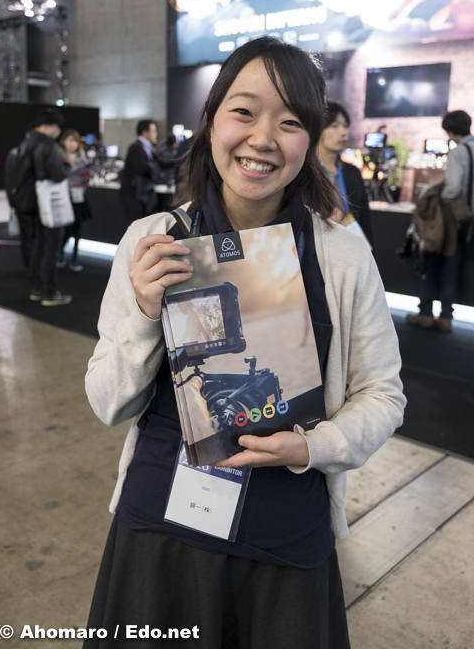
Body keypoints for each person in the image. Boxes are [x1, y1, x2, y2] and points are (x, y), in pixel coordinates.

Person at [84, 37, 405, 649]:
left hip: (283, 542)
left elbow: (383, 395)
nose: (263, 138)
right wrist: (146, 312)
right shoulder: (152, 240)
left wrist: (312, 446)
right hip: (160, 534)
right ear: (211, 120)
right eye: (244, 111)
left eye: (289, 122)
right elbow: (106, 401)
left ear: (309, 139)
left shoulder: (341, 256)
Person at [407, 109, 474, 333]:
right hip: (468, 222)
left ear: (450, 132)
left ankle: (426, 311)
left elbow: (452, 188)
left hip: (451, 220)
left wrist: (439, 197)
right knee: (453, 267)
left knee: (425, 262)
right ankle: (446, 316)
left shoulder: (458, 152)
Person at [27, 109, 72, 307]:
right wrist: (67, 166)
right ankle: (50, 293)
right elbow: (57, 175)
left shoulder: (28, 142)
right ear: (54, 126)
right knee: (52, 247)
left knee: (38, 244)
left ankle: (37, 288)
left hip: (33, 201)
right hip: (50, 203)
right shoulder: (48, 145)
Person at [317, 101, 374, 248]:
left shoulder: (352, 172)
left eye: (345, 125)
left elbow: (364, 220)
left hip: (349, 247)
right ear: (318, 129)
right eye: (334, 126)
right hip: (317, 249)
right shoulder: (305, 172)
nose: (343, 132)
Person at [58, 129, 93, 271]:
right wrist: (71, 164)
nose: (73, 144)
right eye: (70, 141)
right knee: (66, 230)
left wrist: (87, 176)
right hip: (64, 197)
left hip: (79, 196)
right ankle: (60, 254)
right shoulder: (59, 156)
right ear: (64, 141)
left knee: (77, 230)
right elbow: (60, 175)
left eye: (76, 141)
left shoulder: (82, 156)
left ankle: (74, 258)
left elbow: (85, 176)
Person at [4, 123, 35, 272]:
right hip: (22, 202)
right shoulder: (15, 153)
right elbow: (9, 179)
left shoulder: (38, 152)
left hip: (37, 202)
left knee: (35, 235)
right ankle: (30, 266)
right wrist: (12, 199)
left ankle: (34, 265)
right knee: (26, 235)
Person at [120, 119, 163, 224]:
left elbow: (159, 163)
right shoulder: (135, 148)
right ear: (144, 132)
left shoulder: (149, 148)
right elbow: (142, 169)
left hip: (143, 195)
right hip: (134, 196)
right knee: (136, 225)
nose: (156, 133)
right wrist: (155, 171)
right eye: (153, 131)